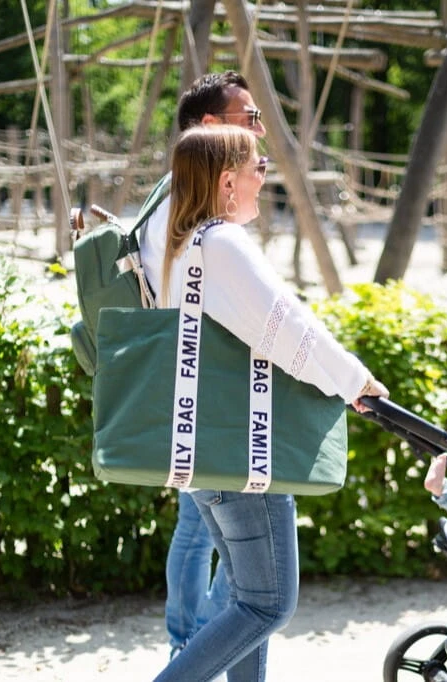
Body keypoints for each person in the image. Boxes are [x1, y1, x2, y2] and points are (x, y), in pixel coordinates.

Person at [148, 124, 388, 681]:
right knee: (268, 604)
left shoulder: (181, 245)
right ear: (227, 181)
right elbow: (287, 330)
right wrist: (355, 381)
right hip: (243, 449)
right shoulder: (223, 244)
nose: (264, 178)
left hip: (203, 446)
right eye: (258, 168)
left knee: (244, 598)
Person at [140, 70, 268, 660]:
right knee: (252, 585)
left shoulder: (169, 200)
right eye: (250, 119)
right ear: (213, 127)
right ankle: (190, 649)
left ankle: (192, 646)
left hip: (190, 395)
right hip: (213, 405)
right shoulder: (201, 220)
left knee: (204, 538)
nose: (260, 131)